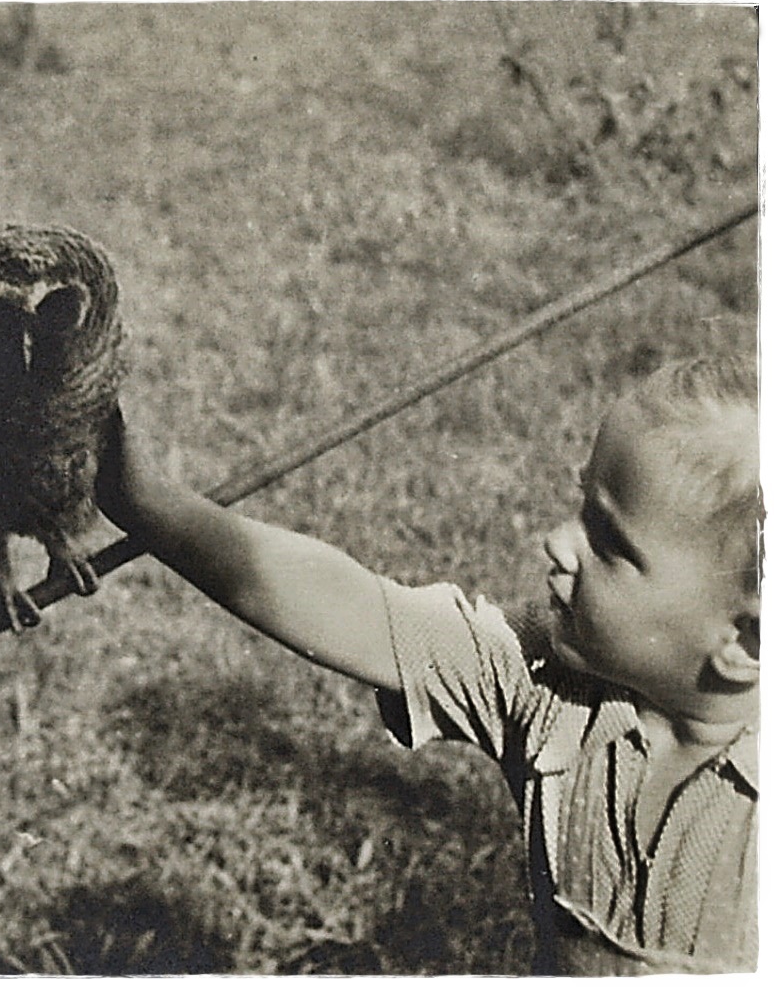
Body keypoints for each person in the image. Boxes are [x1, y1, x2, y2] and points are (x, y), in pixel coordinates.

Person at [94, 354, 760, 975]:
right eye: (581, 508)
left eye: (609, 543)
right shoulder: (546, 685)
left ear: (746, 641)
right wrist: (145, 502)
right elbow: (357, 612)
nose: (557, 542)